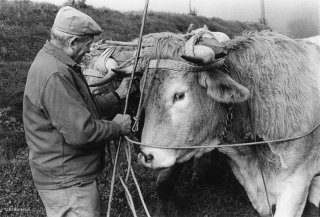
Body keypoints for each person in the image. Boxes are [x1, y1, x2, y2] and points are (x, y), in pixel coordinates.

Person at [23, 6, 132, 217]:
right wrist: (117, 127)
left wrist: (117, 96)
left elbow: (77, 110)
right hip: (69, 183)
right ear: (73, 42)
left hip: (63, 176)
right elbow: (81, 132)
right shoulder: (56, 74)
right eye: (88, 45)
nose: (90, 51)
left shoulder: (53, 62)